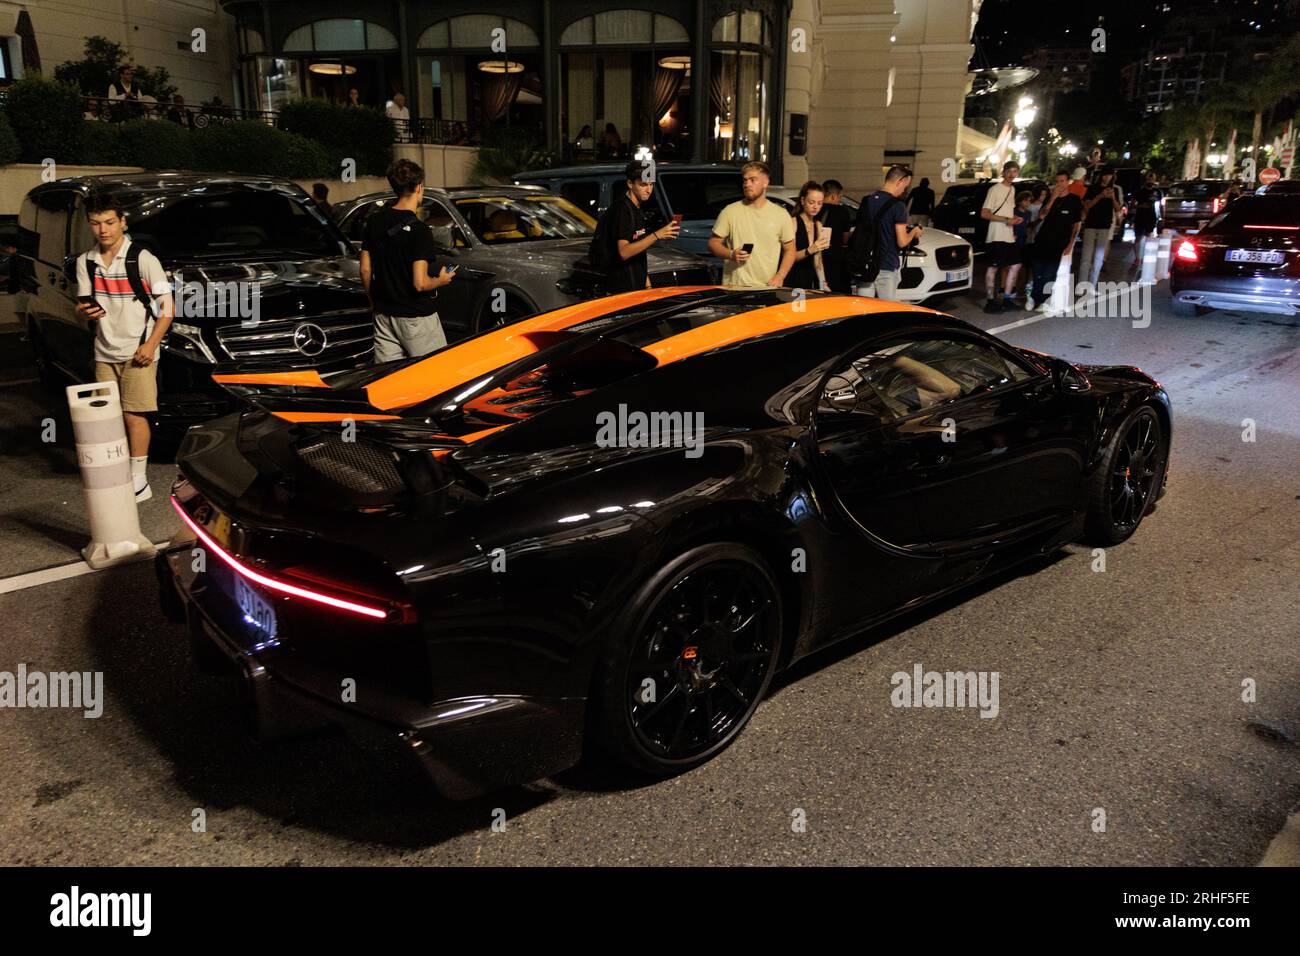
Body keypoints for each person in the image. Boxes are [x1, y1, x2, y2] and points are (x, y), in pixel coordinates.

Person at [74, 192, 174, 502]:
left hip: (138, 351)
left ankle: (139, 479)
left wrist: (150, 345)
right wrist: (82, 312)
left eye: (109, 222)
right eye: (95, 223)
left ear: (122, 222)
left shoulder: (142, 259)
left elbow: (167, 308)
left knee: (135, 415)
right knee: (109, 417)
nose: (103, 230)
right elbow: (83, 306)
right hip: (104, 351)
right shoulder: (85, 263)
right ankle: (117, 472)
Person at [359, 159, 456, 363]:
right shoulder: (420, 231)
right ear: (419, 187)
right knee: (435, 372)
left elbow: (365, 271)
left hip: (383, 315)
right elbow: (420, 283)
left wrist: (373, 302)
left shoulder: (374, 222)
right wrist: (441, 280)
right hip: (416, 317)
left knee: (391, 376)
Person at [707, 161, 796, 289]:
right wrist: (731, 254)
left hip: (767, 288)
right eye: (745, 180)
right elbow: (713, 243)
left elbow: (790, 249)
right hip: (734, 287)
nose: (747, 184)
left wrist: (780, 276)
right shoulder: (730, 211)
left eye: (752, 180)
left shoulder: (781, 214)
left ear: (765, 183)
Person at [596, 160, 680, 293]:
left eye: (651, 184)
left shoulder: (637, 209)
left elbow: (638, 250)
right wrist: (657, 235)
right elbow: (624, 252)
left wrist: (647, 286)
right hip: (621, 288)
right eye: (643, 185)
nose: (648, 190)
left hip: (636, 286)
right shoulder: (622, 210)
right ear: (630, 183)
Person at [855, 163, 922, 301]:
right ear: (900, 181)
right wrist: (914, 232)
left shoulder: (867, 201)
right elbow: (902, 241)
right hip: (886, 265)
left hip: (865, 263)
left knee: (864, 310)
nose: (904, 190)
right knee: (886, 311)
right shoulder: (898, 206)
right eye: (905, 186)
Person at [1028, 170, 1083, 312]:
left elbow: (1076, 224)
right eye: (1057, 181)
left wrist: (1071, 243)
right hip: (1042, 239)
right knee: (1037, 270)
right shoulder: (1050, 198)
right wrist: (1053, 198)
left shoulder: (1074, 200)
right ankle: (1034, 297)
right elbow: (1041, 215)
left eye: (1062, 181)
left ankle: (1045, 300)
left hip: (1060, 242)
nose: (1060, 184)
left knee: (1049, 272)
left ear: (1068, 181)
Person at [979, 160, 1024, 313]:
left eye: (1015, 171)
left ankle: (1006, 299)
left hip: (1008, 235)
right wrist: (1006, 220)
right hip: (996, 235)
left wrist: (1015, 221)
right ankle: (990, 301)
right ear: (1004, 172)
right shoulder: (994, 189)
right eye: (1009, 171)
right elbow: (984, 213)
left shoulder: (1012, 189)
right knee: (993, 268)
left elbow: (1007, 213)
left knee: (1016, 265)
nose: (1012, 174)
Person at [1080, 167, 1124, 286]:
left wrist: (1113, 197)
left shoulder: (1115, 189)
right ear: (1101, 176)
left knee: (1099, 258)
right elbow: (1086, 206)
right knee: (1086, 257)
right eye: (1105, 175)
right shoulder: (1092, 188)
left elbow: (1118, 209)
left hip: (1105, 225)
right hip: (1091, 224)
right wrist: (1100, 196)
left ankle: (1092, 284)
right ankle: (1082, 284)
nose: (1107, 178)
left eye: (1110, 175)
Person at [786, 181, 832, 290]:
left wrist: (823, 282)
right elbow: (788, 256)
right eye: (811, 202)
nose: (815, 207)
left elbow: (818, 259)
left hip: (810, 279)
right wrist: (810, 250)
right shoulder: (793, 222)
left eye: (820, 203)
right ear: (802, 201)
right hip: (793, 278)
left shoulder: (818, 225)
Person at [819, 178, 854, 293]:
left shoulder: (815, 210)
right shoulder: (842, 212)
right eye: (839, 197)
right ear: (834, 196)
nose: (839, 200)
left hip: (817, 257)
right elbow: (845, 238)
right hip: (836, 259)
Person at [1001, 190, 1034, 308]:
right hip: (1011, 241)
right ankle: (1004, 288)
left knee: (1018, 266)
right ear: (1020, 201)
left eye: (1030, 201)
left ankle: (1013, 289)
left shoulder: (1028, 214)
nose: (1028, 203)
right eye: (1026, 200)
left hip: (1022, 241)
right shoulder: (1013, 212)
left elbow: (1028, 226)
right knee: (1008, 266)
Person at [1130, 171, 1164, 269]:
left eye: (1152, 178)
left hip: (1151, 217)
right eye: (1149, 178)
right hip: (1140, 217)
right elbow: (1132, 204)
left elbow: (1162, 205)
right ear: (1145, 179)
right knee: (1138, 238)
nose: (1151, 180)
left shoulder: (1158, 192)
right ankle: (1137, 258)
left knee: (1149, 237)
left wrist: (1162, 217)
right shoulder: (1139, 191)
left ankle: (1147, 258)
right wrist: (1140, 205)